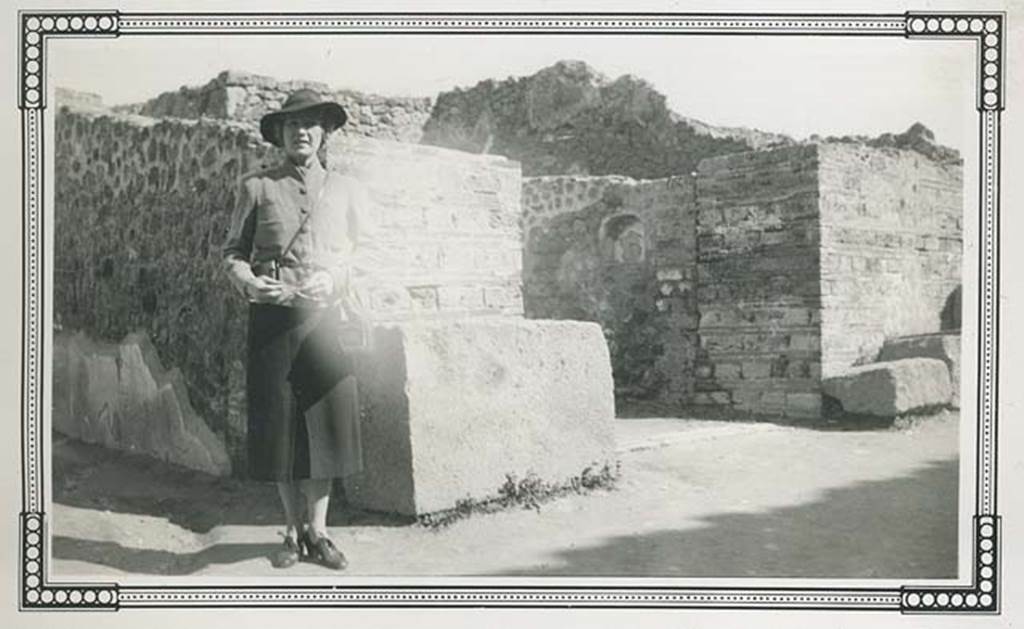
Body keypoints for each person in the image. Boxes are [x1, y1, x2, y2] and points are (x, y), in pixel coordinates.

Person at [222, 89, 372, 570]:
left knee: (324, 430)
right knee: (280, 430)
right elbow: (231, 254)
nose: (300, 132)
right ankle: (291, 530)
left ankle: (319, 531)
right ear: (280, 136)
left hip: (327, 324)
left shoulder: (348, 188)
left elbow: (366, 251)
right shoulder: (256, 187)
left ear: (325, 132)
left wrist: (336, 275)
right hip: (272, 322)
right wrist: (250, 284)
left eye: (309, 124)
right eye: (291, 126)